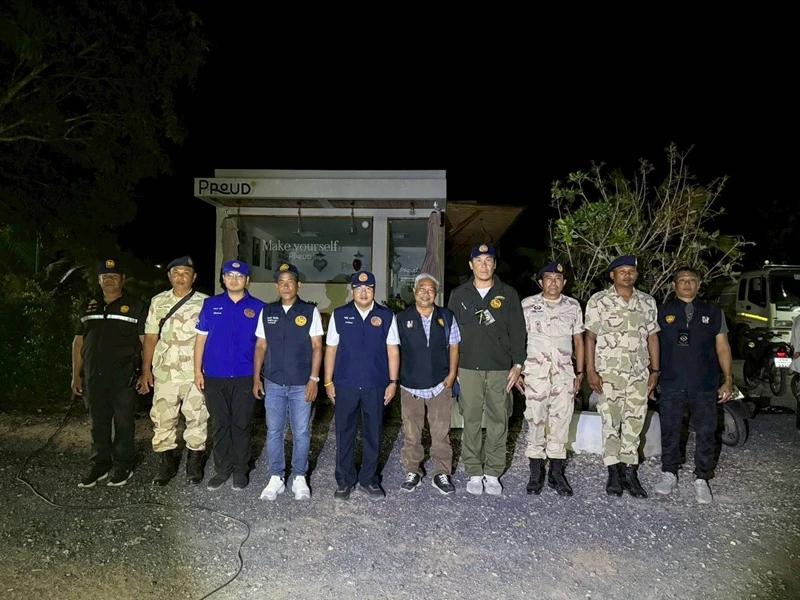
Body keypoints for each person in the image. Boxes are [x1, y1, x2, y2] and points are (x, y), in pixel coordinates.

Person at [447, 243, 526, 496]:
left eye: (488, 260)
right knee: (470, 420)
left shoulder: (508, 294)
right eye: (479, 261)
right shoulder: (459, 294)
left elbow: (518, 331)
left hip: (500, 369)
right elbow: (451, 334)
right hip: (468, 368)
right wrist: (453, 368)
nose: (484, 265)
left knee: (498, 421)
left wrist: (518, 365)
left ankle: (493, 472)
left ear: (494, 264)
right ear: (471, 265)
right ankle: (473, 471)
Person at [653, 267, 734, 504]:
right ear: (674, 285)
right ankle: (669, 472)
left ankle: (702, 477)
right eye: (682, 280)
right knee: (670, 429)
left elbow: (723, 347)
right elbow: (651, 344)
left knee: (707, 431)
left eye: (692, 280)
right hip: (671, 381)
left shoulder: (713, 312)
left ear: (699, 285)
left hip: (704, 383)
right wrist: (652, 374)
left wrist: (728, 379)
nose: (687, 284)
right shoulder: (661, 312)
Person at [584, 255, 660, 498]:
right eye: (622, 271)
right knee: (610, 423)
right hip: (608, 374)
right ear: (612, 275)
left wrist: (655, 371)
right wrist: (590, 371)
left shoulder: (647, 302)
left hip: (638, 374)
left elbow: (652, 337)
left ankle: (630, 472)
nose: (627, 275)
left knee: (634, 423)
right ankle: (613, 473)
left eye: (631, 271)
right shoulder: (599, 301)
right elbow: (590, 337)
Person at [324, 271, 400, 500]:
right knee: (344, 433)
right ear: (352, 290)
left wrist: (393, 382)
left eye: (368, 289)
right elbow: (331, 350)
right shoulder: (340, 314)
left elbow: (393, 350)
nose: (364, 293)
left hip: (376, 385)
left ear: (374, 290)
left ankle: (369, 479)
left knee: (373, 433)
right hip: (345, 385)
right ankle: (344, 480)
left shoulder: (386, 316)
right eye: (359, 288)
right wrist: (328, 381)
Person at [71, 258, 147, 488]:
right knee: (98, 423)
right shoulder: (89, 305)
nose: (109, 280)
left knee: (124, 422)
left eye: (114, 276)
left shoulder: (136, 306)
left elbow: (145, 342)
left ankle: (124, 464)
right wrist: (76, 375)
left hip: (123, 376)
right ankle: (100, 464)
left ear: (122, 280)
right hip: (94, 376)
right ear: (99, 280)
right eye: (105, 276)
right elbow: (78, 342)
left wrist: (145, 372)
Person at [253, 263, 323, 501]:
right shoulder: (268, 311)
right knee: (274, 431)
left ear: (298, 285)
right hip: (273, 382)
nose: (285, 286)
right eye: (281, 282)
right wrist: (256, 378)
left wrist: (314, 379)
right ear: (277, 286)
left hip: (301, 383)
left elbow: (317, 346)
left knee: (301, 431)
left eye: (290, 282)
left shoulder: (310, 311)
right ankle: (276, 477)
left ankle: (299, 477)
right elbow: (260, 346)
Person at [138, 256, 209, 486]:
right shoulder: (158, 301)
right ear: (169, 276)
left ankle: (194, 465)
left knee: (197, 417)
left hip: (195, 373)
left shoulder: (205, 303)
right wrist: (146, 370)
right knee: (163, 419)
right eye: (176, 273)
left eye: (186, 273)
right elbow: (150, 337)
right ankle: (166, 465)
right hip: (165, 372)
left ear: (194, 277)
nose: (180, 277)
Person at [194, 260, 263, 491]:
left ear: (247, 280)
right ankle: (222, 470)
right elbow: (200, 340)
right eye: (229, 275)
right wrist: (197, 371)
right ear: (223, 279)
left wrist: (259, 376)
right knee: (220, 425)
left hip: (245, 376)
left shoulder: (258, 307)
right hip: (214, 376)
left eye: (239, 276)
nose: (234, 279)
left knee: (241, 425)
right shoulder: (210, 304)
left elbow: (263, 345)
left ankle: (240, 470)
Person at [521, 261, 584, 496]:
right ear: (541, 282)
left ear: (564, 282)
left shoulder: (573, 306)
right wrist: (517, 369)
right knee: (535, 419)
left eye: (558, 279)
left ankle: (556, 474)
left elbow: (579, 340)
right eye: (548, 278)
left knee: (561, 420)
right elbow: (518, 339)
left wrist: (580, 372)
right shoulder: (528, 305)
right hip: (535, 373)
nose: (553, 283)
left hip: (564, 374)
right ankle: (535, 473)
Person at [396, 273, 460, 495]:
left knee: (441, 432)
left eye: (431, 289)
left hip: (439, 385)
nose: (426, 293)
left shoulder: (446, 316)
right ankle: (412, 470)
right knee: (412, 433)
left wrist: (452, 374)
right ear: (414, 292)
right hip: (410, 386)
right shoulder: (401, 318)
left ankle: (441, 472)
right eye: (422, 289)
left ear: (436, 293)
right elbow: (393, 350)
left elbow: (454, 346)